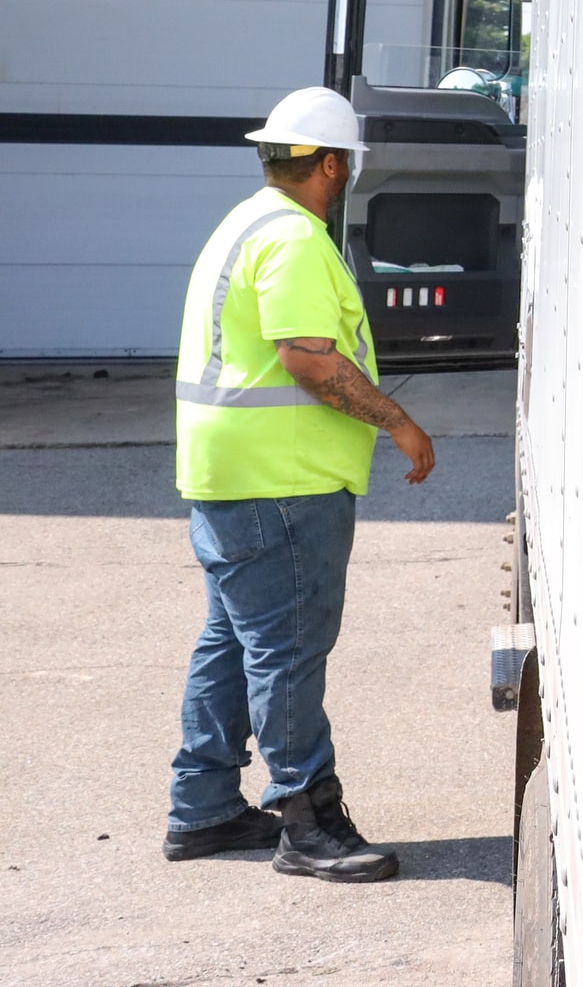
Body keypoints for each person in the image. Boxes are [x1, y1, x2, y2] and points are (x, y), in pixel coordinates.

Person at [164, 86, 436, 881]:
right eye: (344, 159)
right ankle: (308, 821)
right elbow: (308, 357)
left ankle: (204, 808)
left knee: (232, 643)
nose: (346, 171)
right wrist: (397, 421)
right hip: (282, 482)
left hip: (231, 474)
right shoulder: (295, 240)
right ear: (328, 162)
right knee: (284, 650)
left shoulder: (241, 224)